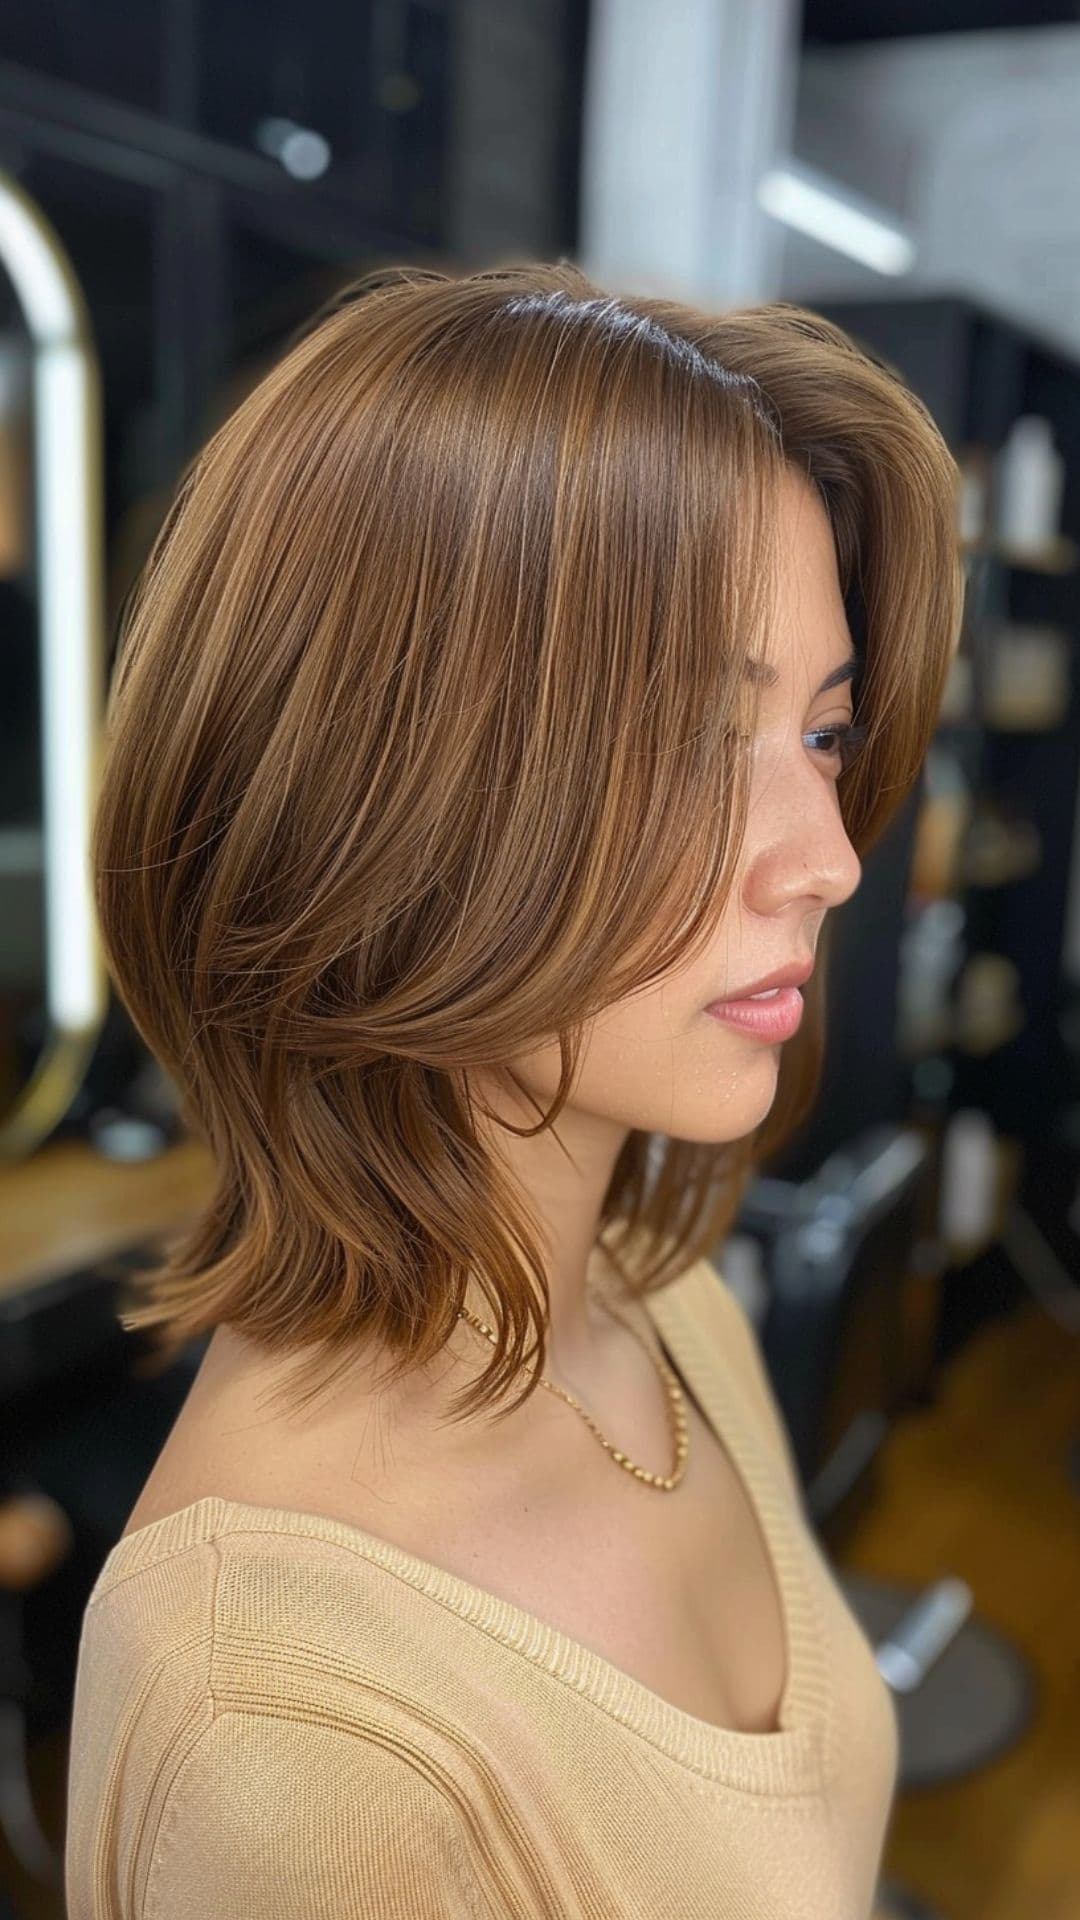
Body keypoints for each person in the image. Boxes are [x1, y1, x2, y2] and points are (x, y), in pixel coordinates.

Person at [65, 260, 963, 1919]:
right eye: (698, 739)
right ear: (378, 796)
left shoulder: (658, 1296)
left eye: (824, 737)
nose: (831, 859)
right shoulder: (276, 1733)